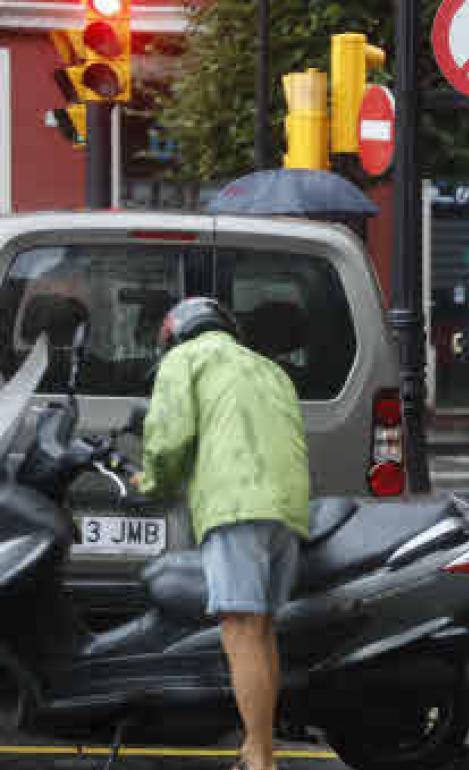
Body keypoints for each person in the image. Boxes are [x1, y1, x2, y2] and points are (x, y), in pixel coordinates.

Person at [137, 297, 310, 770]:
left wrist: (150, 481)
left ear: (176, 334)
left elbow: (168, 435)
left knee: (239, 631)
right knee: (262, 630)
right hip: (287, 512)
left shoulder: (185, 360)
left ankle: (259, 759)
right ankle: (262, 750)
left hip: (236, 507)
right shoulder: (269, 370)